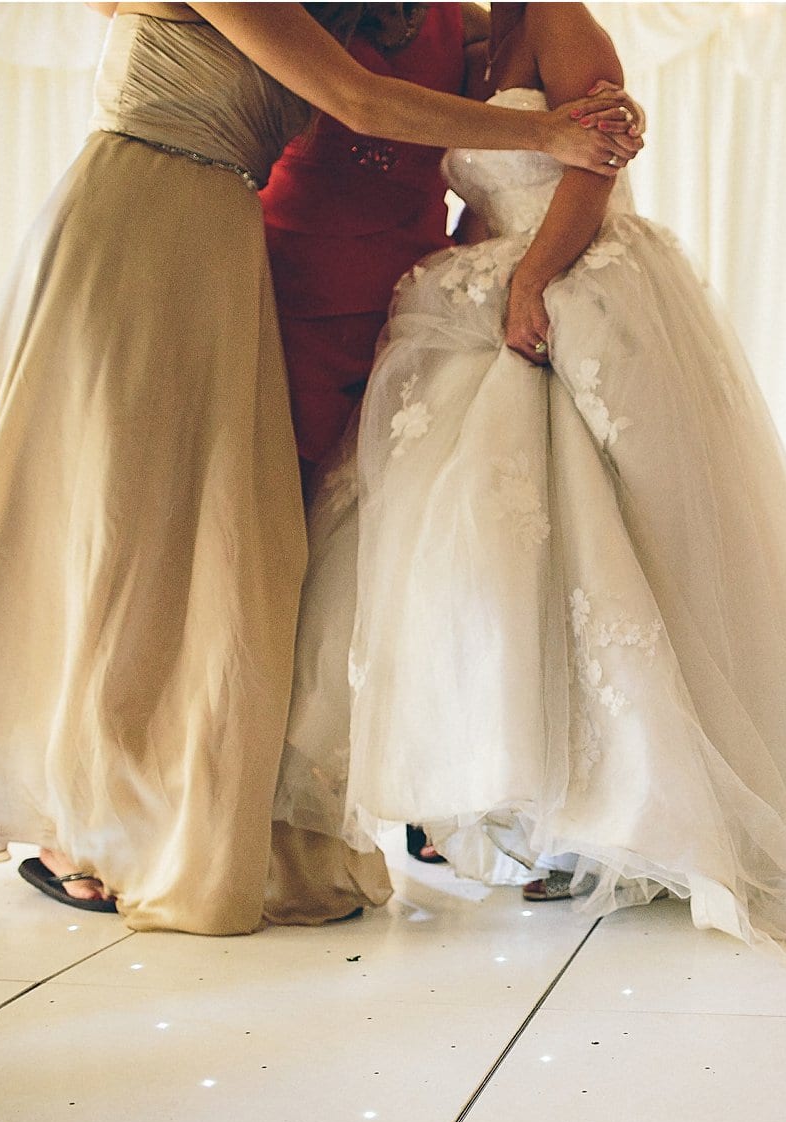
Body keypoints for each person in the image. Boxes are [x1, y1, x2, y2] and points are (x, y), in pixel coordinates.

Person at [277, 2, 786, 962]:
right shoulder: (478, 37)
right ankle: (523, 796)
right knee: (483, 557)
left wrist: (533, 279)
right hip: (477, 284)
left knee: (601, 549)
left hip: (571, 279)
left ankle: (630, 803)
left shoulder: (563, 21)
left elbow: (594, 164)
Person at [0, 1, 639, 933]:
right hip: (137, 223)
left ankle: (206, 805)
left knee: (231, 550)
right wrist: (551, 132)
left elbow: (481, 56)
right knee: (120, 526)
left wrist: (595, 104)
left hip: (219, 242)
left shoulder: (373, 12)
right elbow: (355, 98)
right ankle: (78, 818)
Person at [259, 3, 489, 866]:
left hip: (408, 304)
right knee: (287, 545)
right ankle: (263, 788)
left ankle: (421, 774)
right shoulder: (306, 14)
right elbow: (359, 103)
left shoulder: (461, 28)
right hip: (293, 289)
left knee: (403, 552)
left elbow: (496, 154)